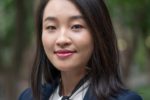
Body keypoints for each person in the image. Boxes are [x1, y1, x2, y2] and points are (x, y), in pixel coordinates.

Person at [19, 0, 142, 100]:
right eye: (51, 27)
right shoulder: (27, 97)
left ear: (99, 33)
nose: (62, 40)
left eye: (76, 26)